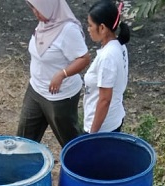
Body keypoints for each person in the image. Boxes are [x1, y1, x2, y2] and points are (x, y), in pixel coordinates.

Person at [16, 0, 90, 148]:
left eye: (39, 9)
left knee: (70, 143)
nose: (35, 13)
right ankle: (23, 168)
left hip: (60, 96)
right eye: (34, 9)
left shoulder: (68, 29)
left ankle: (82, 168)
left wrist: (62, 74)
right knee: (24, 140)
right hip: (36, 90)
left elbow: (84, 58)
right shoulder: (46, 23)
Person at [82, 0, 130, 134]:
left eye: (90, 25)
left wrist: (92, 135)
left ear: (102, 28)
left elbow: (104, 100)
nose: (88, 29)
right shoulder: (120, 45)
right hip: (114, 118)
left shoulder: (107, 57)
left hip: (102, 128)